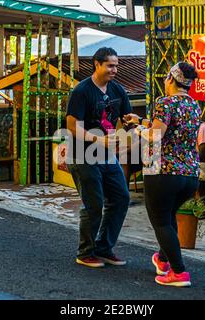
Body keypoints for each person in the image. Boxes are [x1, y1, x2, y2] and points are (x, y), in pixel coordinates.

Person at [124, 61, 201, 287]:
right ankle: (163, 260)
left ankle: (179, 272)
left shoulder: (165, 102)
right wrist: (141, 121)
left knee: (160, 221)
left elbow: (155, 136)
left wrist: (137, 129)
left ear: (169, 79)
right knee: (168, 218)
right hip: (189, 174)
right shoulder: (194, 105)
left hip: (163, 171)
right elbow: (169, 128)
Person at [65, 47, 131, 268]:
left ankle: (104, 247)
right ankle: (85, 253)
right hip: (82, 154)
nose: (115, 70)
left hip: (107, 155)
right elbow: (72, 126)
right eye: (110, 65)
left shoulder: (118, 90)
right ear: (97, 64)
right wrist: (98, 140)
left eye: (116, 66)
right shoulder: (82, 91)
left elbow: (126, 118)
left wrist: (132, 122)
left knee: (121, 198)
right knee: (94, 203)